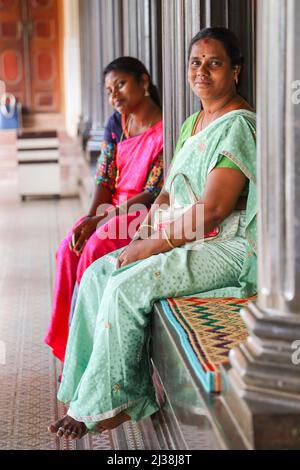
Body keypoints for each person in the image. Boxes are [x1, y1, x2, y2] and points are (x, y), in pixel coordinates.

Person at [48, 27, 257, 440]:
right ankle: (86, 392)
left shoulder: (238, 125)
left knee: (128, 284)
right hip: (182, 229)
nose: (202, 71)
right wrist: (142, 231)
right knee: (96, 275)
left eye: (214, 63)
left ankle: (115, 402)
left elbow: (213, 210)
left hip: (224, 243)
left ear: (235, 71)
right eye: (195, 63)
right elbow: (166, 191)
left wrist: (152, 246)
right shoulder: (194, 122)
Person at [45, 57, 163, 363]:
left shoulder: (165, 128)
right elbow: (104, 177)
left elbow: (153, 192)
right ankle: (70, 347)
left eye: (121, 85)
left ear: (144, 81)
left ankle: (92, 351)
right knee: (69, 247)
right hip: (110, 209)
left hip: (141, 212)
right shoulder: (116, 124)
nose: (115, 95)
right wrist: (90, 218)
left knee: (95, 248)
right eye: (109, 90)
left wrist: (102, 220)